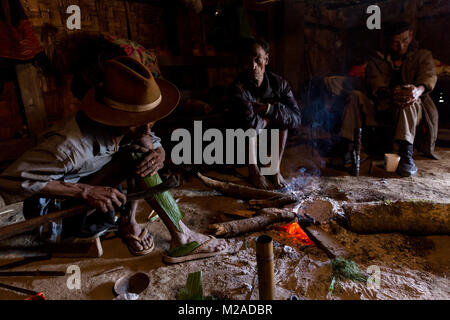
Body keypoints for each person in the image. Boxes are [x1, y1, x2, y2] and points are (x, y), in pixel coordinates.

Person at [0, 56, 227, 262]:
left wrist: (159, 153)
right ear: (117, 118)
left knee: (140, 151)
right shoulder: (69, 146)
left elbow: (152, 140)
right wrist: (85, 192)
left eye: (152, 120)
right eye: (141, 121)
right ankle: (184, 238)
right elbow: (10, 179)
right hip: (56, 219)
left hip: (94, 203)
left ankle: (130, 223)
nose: (148, 129)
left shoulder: (130, 129)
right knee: (134, 154)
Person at [337, 21, 438, 177]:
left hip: (412, 112)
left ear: (410, 36)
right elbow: (374, 84)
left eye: (404, 40)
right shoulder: (376, 60)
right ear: (388, 42)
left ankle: (405, 155)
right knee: (355, 96)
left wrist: (416, 91)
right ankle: (350, 149)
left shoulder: (422, 56)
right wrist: (391, 93)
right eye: (395, 43)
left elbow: (429, 76)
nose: (401, 47)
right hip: (382, 107)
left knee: (409, 100)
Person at [227, 38, 302, 189]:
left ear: (266, 59)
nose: (253, 66)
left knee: (283, 122)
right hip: (239, 144)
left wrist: (268, 109)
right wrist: (271, 115)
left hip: (267, 140)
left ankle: (273, 169)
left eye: (257, 59)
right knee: (263, 123)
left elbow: (296, 119)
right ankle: (253, 172)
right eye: (248, 61)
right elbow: (251, 124)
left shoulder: (280, 84)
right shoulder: (237, 88)